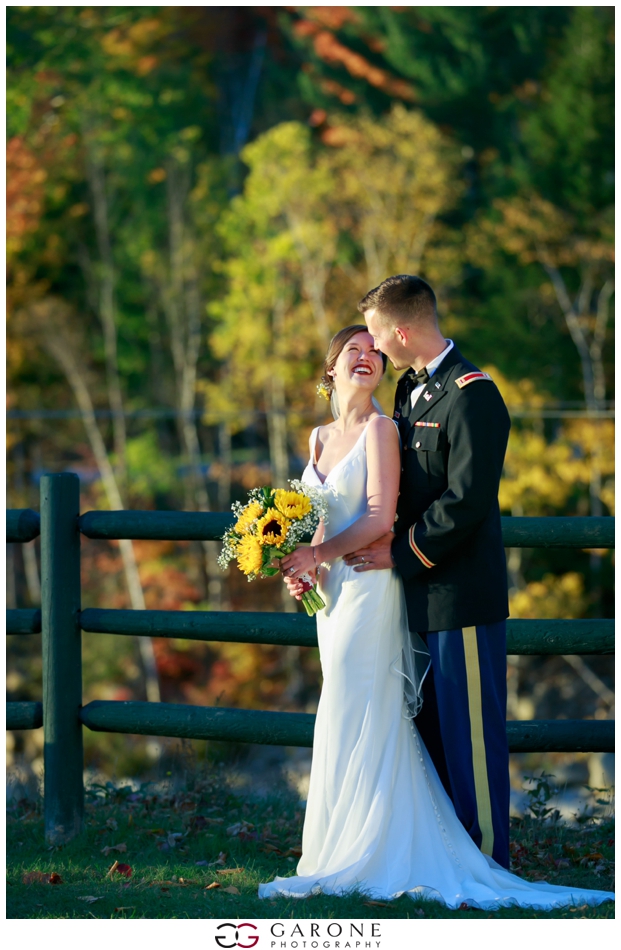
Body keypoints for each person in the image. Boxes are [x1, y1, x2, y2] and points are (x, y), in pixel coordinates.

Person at [257, 321, 613, 910]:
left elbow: (378, 518)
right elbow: (320, 516)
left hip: (372, 585)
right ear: (329, 369)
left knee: (362, 704)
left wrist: (320, 551)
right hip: (335, 591)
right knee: (342, 707)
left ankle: (384, 847)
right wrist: (306, 565)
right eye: (354, 351)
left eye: (374, 351)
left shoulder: (382, 427)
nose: (367, 358)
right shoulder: (319, 439)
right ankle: (335, 843)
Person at [348, 274, 512, 869]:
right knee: (436, 738)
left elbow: (466, 501)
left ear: (400, 331)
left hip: (460, 596)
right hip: (418, 596)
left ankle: (490, 863)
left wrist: (399, 554)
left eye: (375, 336)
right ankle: (450, 863)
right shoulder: (411, 392)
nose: (373, 349)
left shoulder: (472, 394)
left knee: (472, 740)